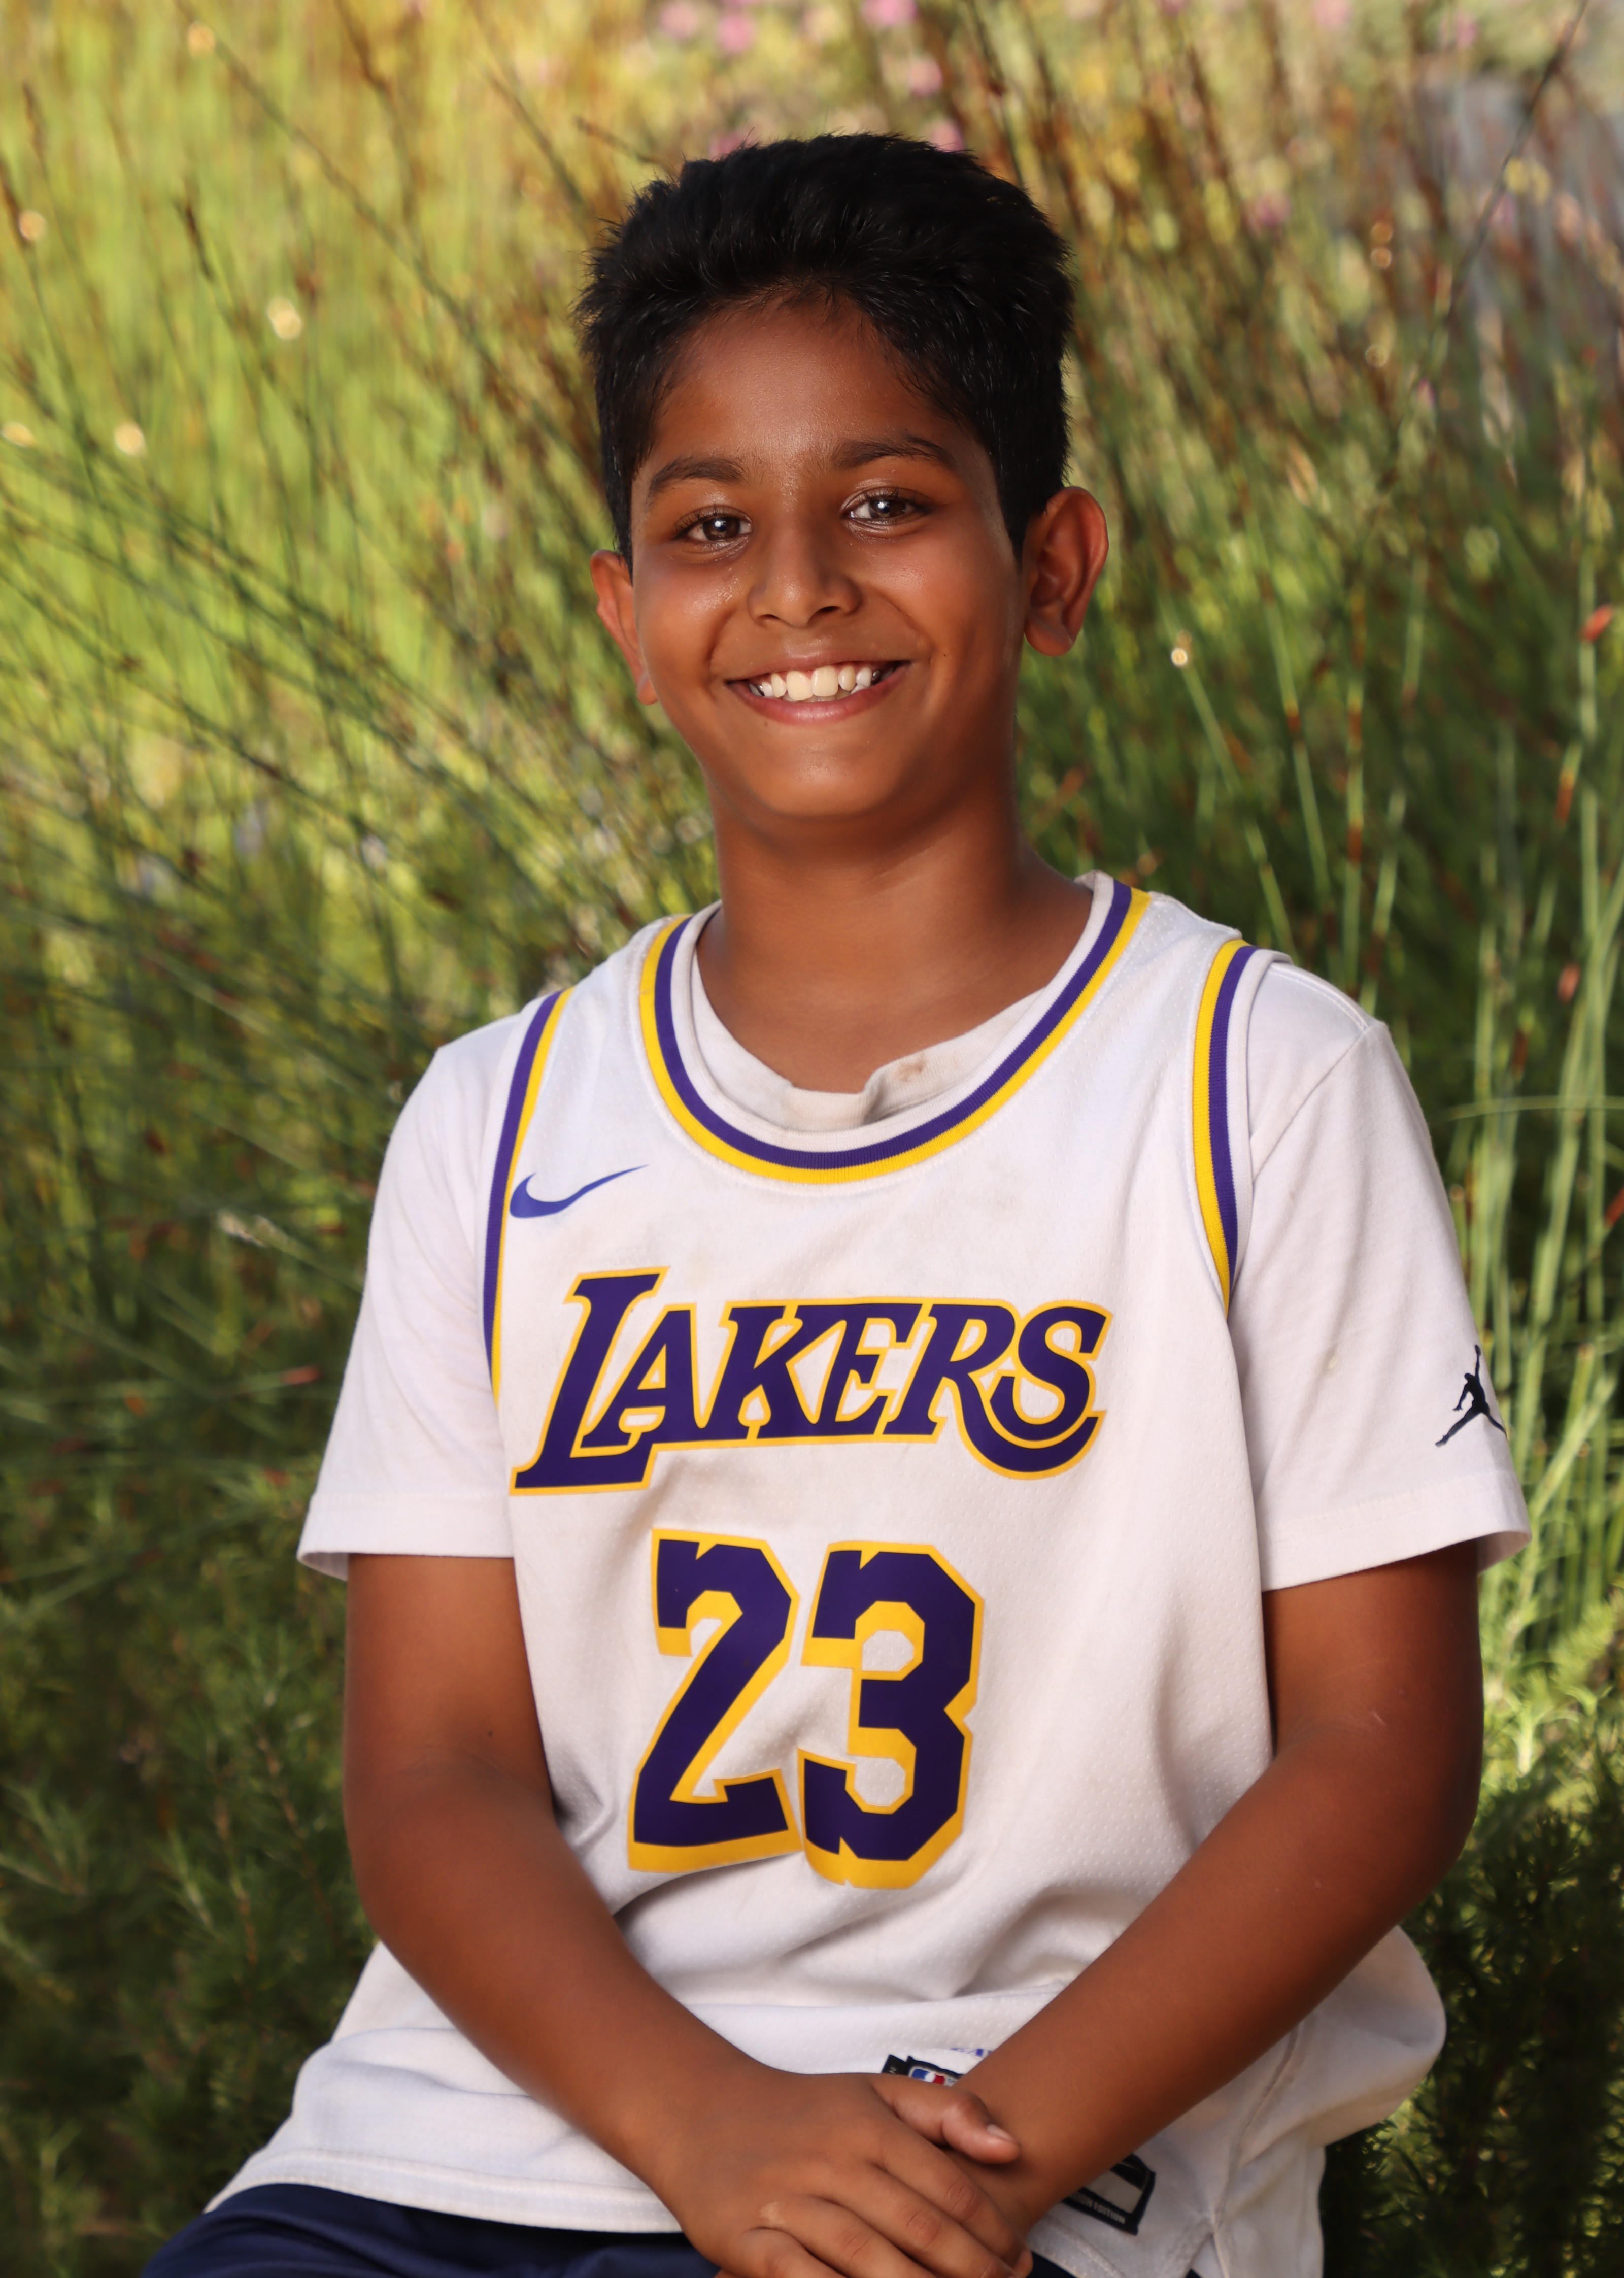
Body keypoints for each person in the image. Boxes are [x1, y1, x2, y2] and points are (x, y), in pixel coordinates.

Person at [144, 134, 1528, 2278]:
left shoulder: (1253, 1079)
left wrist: (955, 2165)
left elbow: (1377, 1748)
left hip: (1029, 2152)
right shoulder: (497, 1118)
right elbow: (433, 1772)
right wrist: (703, 2128)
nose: (796, 585)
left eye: (884, 503)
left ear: (1051, 564)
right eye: (710, 525)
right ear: (627, 613)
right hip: (480, 2148)